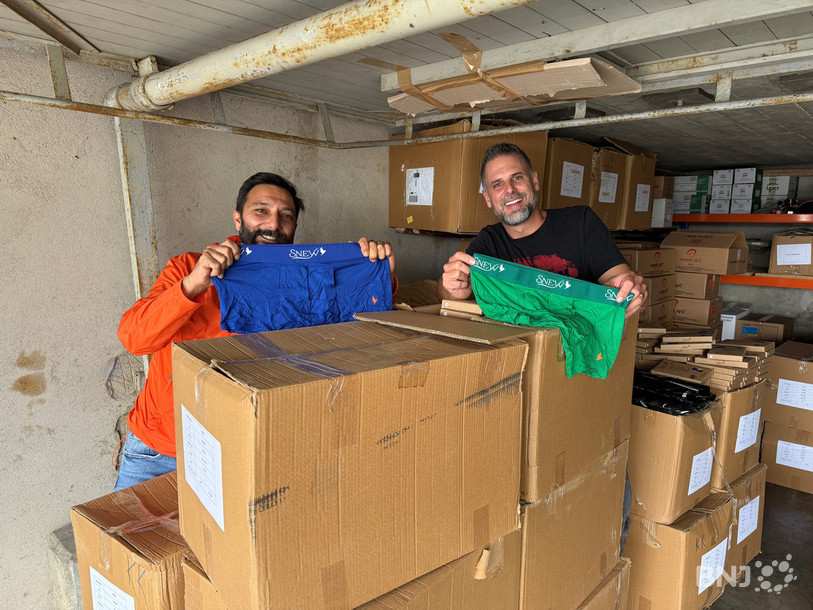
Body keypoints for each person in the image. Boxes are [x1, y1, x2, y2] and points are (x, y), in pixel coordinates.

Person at [115, 172, 396, 490]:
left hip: (244, 454)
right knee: (130, 539)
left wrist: (372, 273)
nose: (274, 224)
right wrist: (193, 285)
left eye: (286, 216)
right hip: (161, 451)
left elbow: (360, 332)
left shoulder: (308, 279)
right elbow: (134, 338)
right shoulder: (188, 267)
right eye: (261, 210)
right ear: (237, 218)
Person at [439, 142, 646, 552]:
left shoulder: (580, 224)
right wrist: (454, 286)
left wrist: (629, 289)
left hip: (586, 381)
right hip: (522, 390)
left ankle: (606, 557)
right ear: (487, 198)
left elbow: (619, 279)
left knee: (603, 485)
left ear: (534, 182)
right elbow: (454, 302)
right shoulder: (486, 246)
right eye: (497, 184)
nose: (509, 190)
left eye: (517, 177)